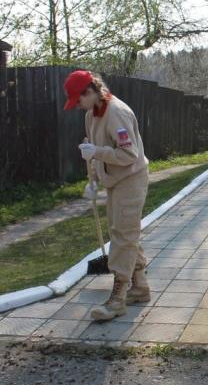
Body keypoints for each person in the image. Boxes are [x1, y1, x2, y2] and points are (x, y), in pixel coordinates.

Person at [63, 70, 150, 321]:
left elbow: (128, 155)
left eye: (78, 101)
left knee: (123, 235)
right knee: (123, 232)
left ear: (89, 92)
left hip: (131, 179)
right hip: (115, 180)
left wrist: (97, 153)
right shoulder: (92, 115)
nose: (78, 107)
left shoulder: (117, 113)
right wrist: (93, 180)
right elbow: (94, 151)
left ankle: (118, 298)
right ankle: (140, 287)